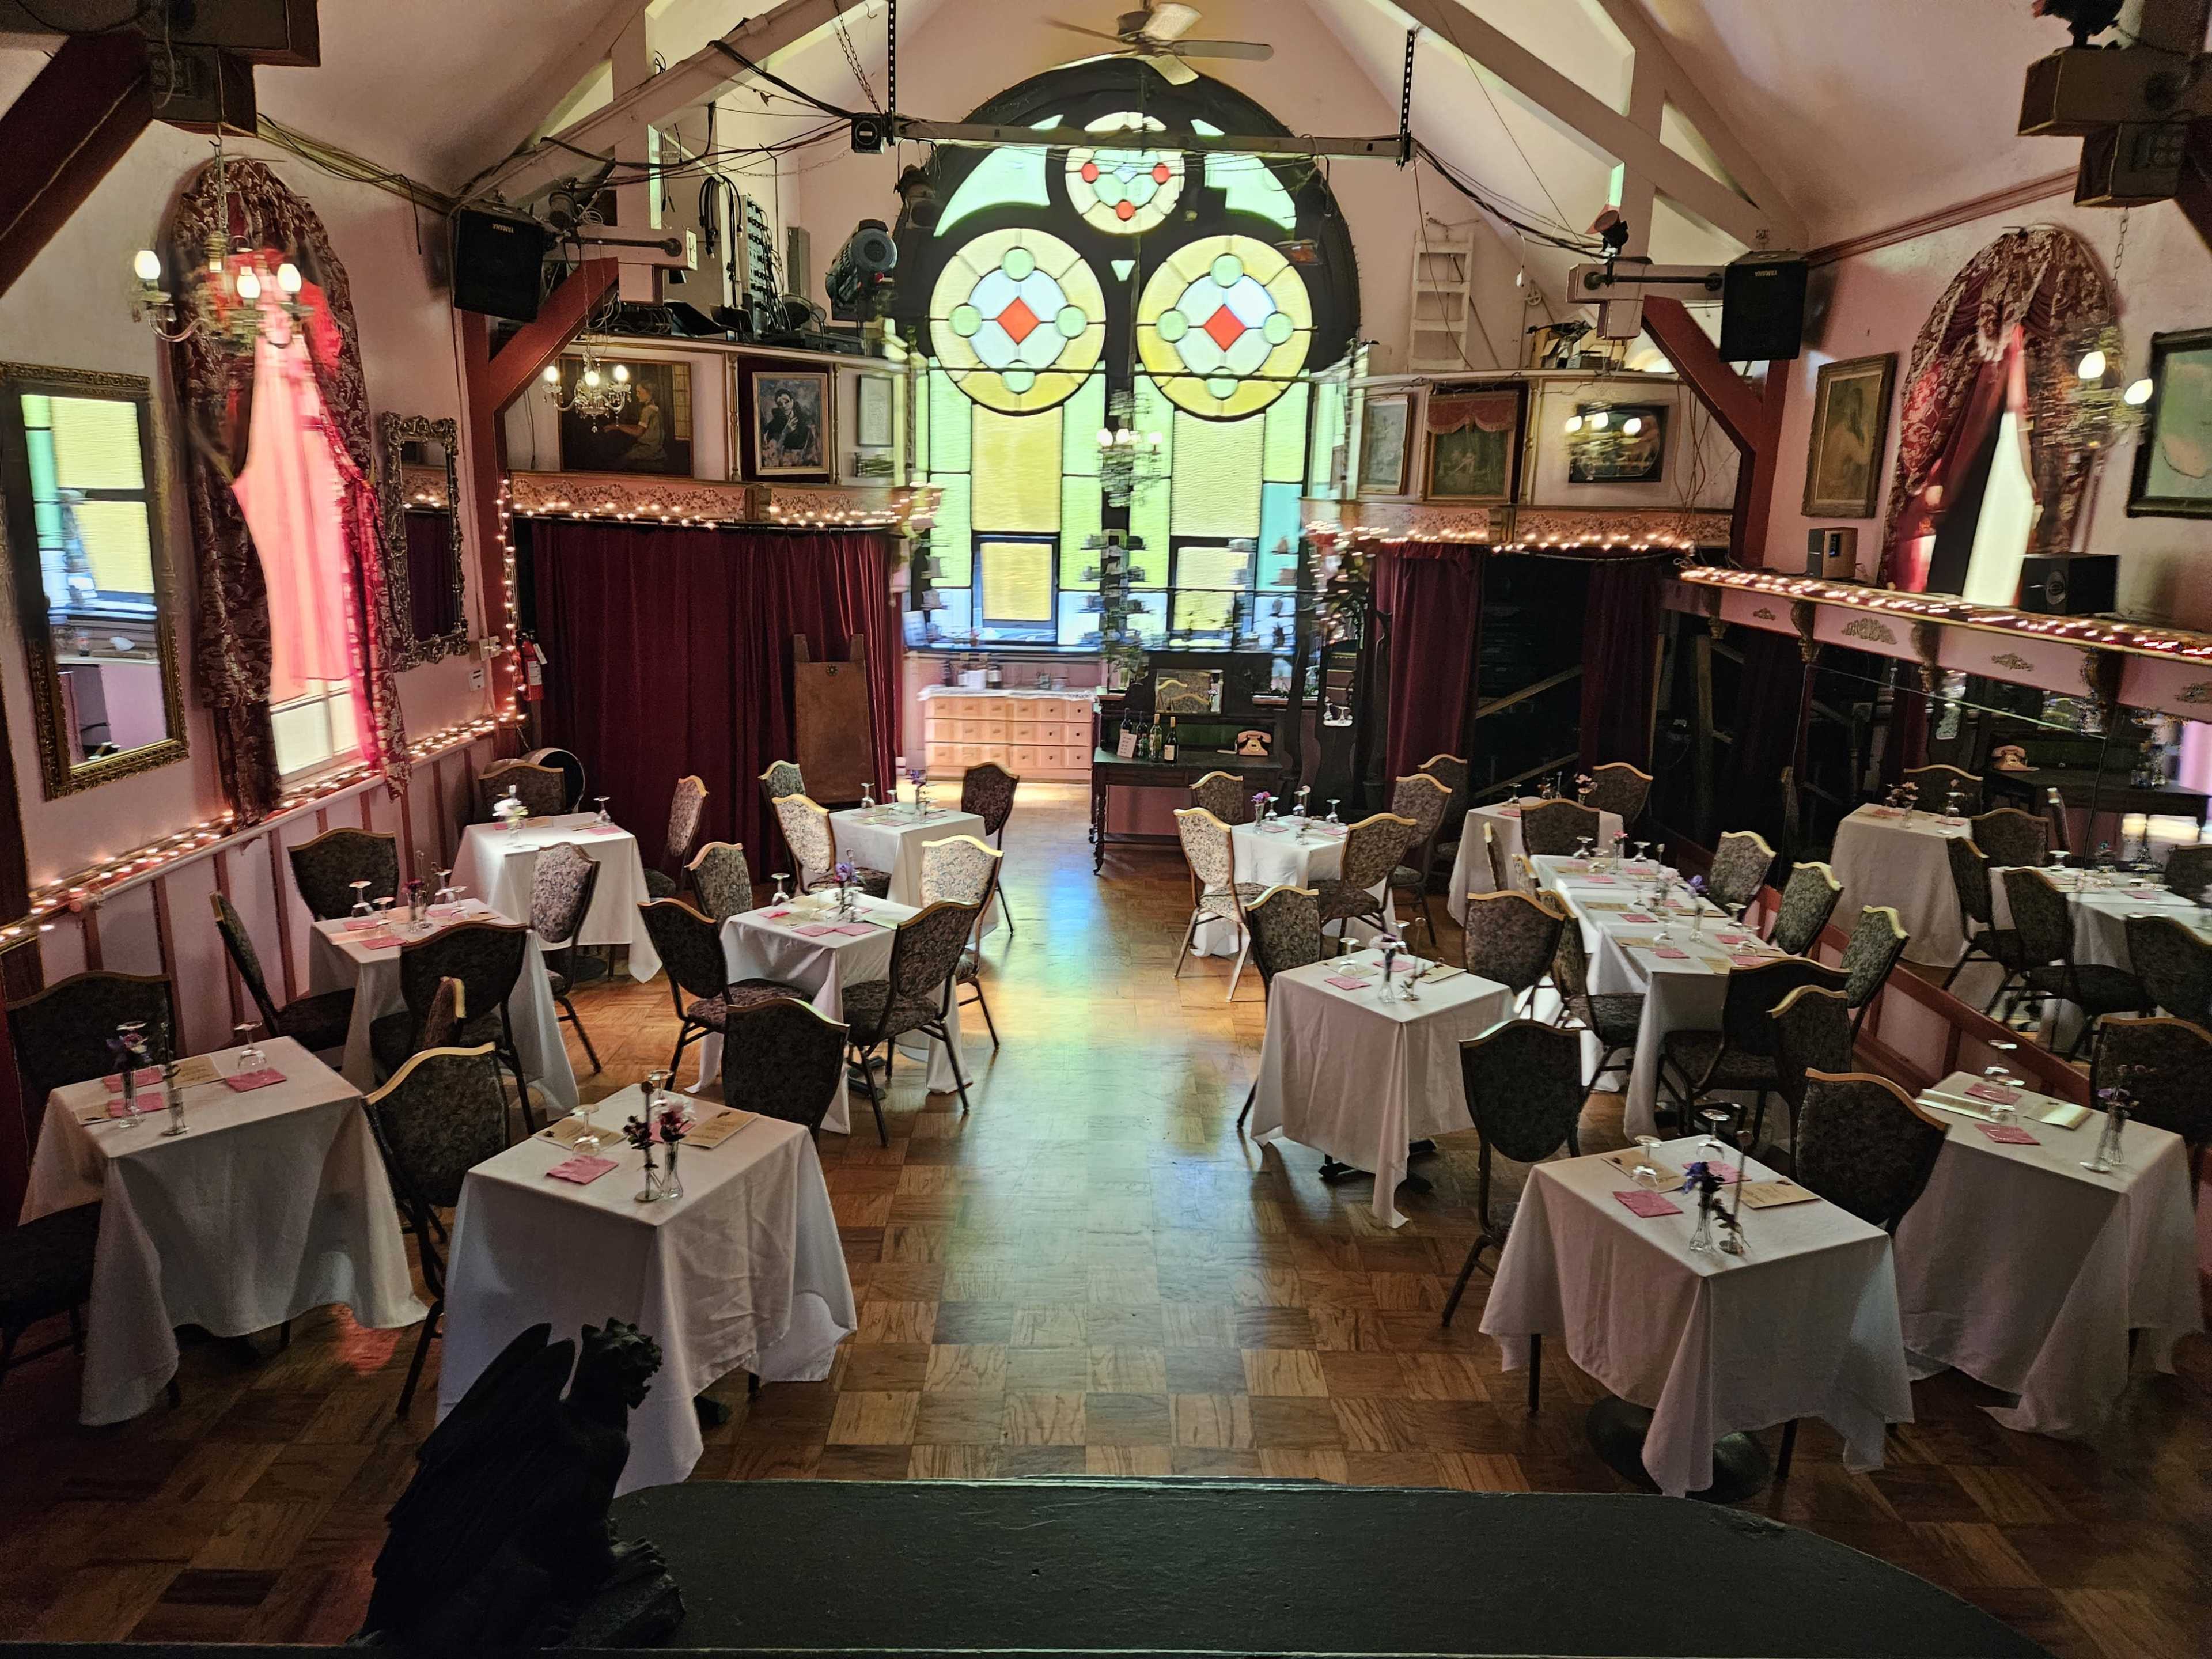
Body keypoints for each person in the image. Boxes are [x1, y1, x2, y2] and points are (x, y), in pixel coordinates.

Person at [611, 380, 665, 467]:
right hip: (656, 448)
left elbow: (638, 432)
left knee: (620, 463)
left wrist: (618, 427)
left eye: (639, 392)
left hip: (648, 450)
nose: (637, 395)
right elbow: (640, 427)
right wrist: (619, 426)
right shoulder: (656, 409)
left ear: (649, 393)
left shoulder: (647, 410)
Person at [762, 386, 818, 467]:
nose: (784, 406)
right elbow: (772, 451)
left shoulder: (805, 420)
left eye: (787, 402)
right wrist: (785, 432)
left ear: (792, 402)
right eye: (780, 404)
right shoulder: (774, 424)